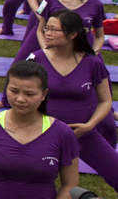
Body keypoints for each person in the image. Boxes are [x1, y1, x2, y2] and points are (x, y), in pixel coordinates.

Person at [29, 10, 118, 192]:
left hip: (83, 133)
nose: (47, 33)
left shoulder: (92, 62)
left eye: (54, 30)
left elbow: (105, 101)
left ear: (72, 34)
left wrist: (89, 126)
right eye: (47, 28)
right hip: (43, 134)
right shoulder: (36, 59)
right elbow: (21, 96)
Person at [0, 60, 79, 199]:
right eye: (14, 91)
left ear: (44, 94)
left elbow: (71, 184)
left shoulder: (63, 133)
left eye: (29, 94)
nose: (20, 99)